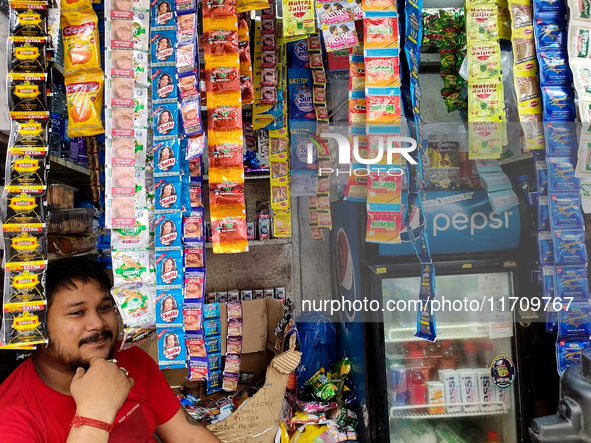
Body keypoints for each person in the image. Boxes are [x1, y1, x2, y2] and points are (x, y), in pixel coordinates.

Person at [0, 258, 221, 442]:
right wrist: (94, 413)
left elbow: (190, 436)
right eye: (77, 312)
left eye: (104, 308)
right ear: (38, 326)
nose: (98, 323)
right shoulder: (12, 417)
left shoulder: (130, 357)